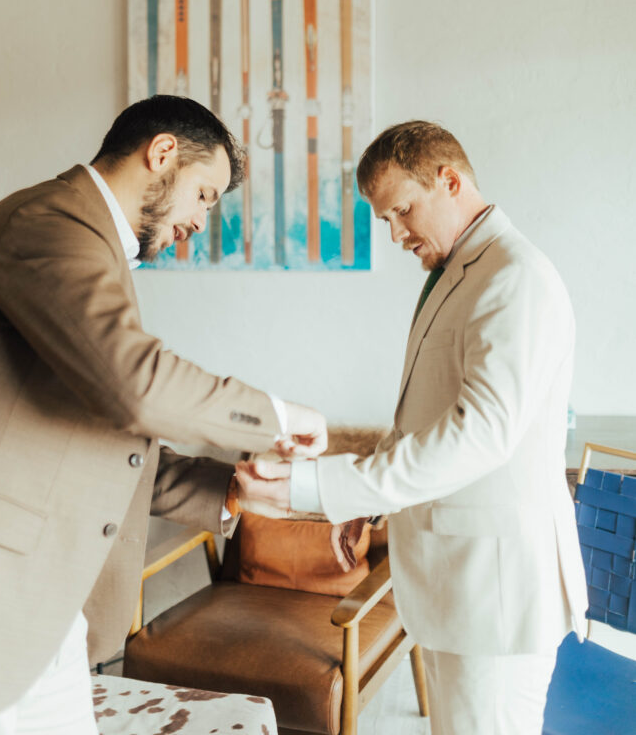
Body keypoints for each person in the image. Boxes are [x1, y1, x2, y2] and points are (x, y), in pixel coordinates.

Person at [0, 95, 327, 732]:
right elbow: (136, 385)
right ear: (162, 153)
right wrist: (276, 416)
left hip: (46, 613)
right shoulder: (49, 223)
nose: (202, 221)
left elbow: (103, 442)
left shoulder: (90, 244)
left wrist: (229, 490)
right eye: (204, 194)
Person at [237, 120, 588, 735]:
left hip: (496, 598)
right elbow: (422, 416)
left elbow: (479, 435)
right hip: (458, 586)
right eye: (385, 220)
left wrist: (318, 487)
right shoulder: (459, 271)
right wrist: (367, 505)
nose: (396, 234)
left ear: (449, 180)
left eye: (402, 211)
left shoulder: (514, 278)